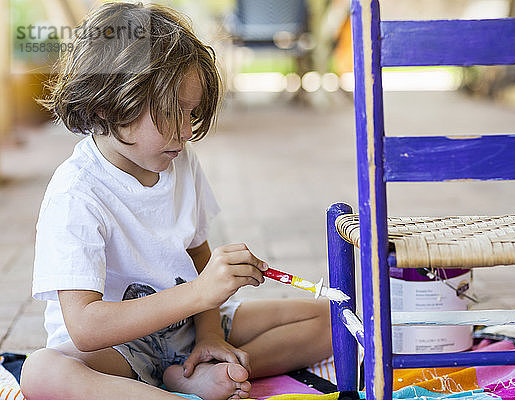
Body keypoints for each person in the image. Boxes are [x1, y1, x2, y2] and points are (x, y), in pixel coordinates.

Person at [20, 3, 331, 400]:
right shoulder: (76, 193)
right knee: (43, 371)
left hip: (188, 330)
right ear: (104, 105)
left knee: (327, 320)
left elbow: (197, 253)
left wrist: (210, 334)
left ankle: (202, 370)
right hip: (117, 351)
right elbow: (84, 326)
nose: (185, 132)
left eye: (190, 112)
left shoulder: (179, 160)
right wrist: (201, 293)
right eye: (169, 114)